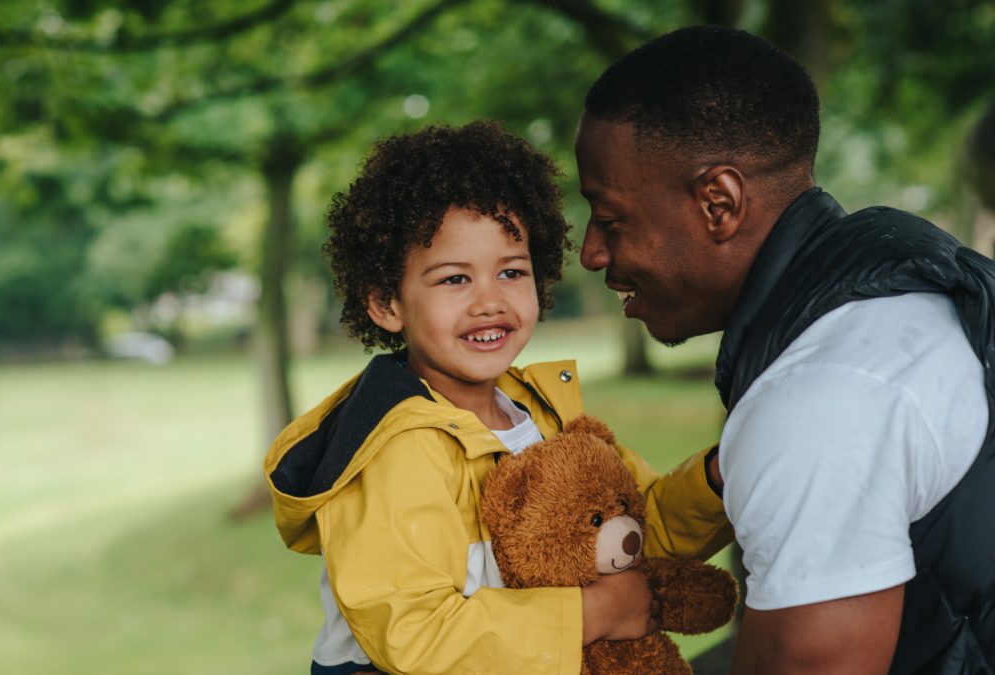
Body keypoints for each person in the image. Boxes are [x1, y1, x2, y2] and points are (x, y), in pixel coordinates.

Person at [575, 24, 995, 674]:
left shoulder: (819, 398)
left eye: (610, 219)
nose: (591, 253)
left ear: (719, 203)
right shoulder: (897, 275)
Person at [264, 120, 732, 674]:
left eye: (511, 271)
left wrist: (719, 479)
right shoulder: (394, 450)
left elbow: (631, 528)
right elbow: (414, 633)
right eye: (454, 280)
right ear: (387, 304)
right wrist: (591, 614)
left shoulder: (541, 412)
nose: (490, 301)